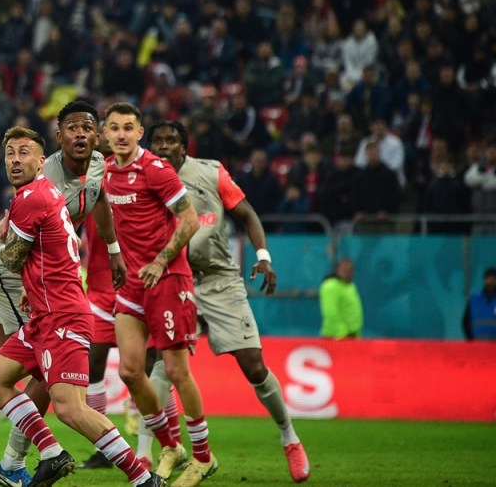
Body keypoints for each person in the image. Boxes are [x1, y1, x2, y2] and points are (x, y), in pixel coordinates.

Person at [0, 100, 127, 487]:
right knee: (47, 367)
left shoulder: (98, 164)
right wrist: (29, 278)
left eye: (87, 128)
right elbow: (16, 234)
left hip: (35, 276)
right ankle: (13, 461)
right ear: (58, 137)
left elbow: (98, 201)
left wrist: (112, 249)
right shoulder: (45, 172)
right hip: (14, 275)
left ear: (96, 136)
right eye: (72, 129)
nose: (80, 135)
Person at [0, 126, 159, 487]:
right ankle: (51, 452)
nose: (15, 160)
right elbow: (56, 250)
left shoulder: (30, 198)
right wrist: (34, 285)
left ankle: (143, 479)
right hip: (44, 314)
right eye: (10, 153)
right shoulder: (45, 193)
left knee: (71, 408)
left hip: (63, 316)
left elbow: (11, 260)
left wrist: (6, 233)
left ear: (41, 161)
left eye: (24, 152)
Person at [148, 119, 310, 483]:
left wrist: (264, 257)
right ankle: (154, 454)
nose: (163, 146)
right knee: (161, 367)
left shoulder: (210, 172)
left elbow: (248, 214)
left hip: (219, 280)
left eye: (171, 140)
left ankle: (289, 437)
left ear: (184, 147)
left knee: (254, 366)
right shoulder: (142, 178)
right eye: (157, 140)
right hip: (174, 281)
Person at [102, 102, 215, 487]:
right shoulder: (106, 171)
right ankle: (171, 445)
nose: (121, 134)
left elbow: (190, 220)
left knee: (177, 371)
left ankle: (203, 457)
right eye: (114, 128)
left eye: (128, 128)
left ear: (139, 133)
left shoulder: (155, 169)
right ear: (105, 134)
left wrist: (160, 261)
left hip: (167, 279)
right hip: (132, 284)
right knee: (130, 371)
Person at [319, 258, 363, 339]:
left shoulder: (351, 286)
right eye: (344, 269)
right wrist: (341, 333)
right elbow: (330, 312)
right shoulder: (331, 286)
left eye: (350, 269)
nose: (348, 272)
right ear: (337, 269)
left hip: (352, 336)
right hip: (337, 337)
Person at [462, 266, 496, 341]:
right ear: (484, 280)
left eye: (493, 279)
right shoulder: (474, 299)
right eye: (488, 279)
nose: (491, 282)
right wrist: (471, 341)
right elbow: (465, 322)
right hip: (478, 344)